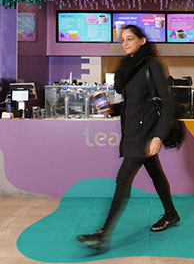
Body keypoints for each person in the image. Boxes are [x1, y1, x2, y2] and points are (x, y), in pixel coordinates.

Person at [76, 25, 179, 250]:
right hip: (132, 131)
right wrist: (112, 108)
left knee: (122, 179)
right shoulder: (129, 68)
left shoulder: (152, 65)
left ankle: (103, 234)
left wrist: (158, 136)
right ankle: (171, 213)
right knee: (156, 175)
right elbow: (132, 104)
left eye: (130, 38)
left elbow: (167, 102)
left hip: (145, 133)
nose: (125, 43)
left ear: (142, 40)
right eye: (123, 39)